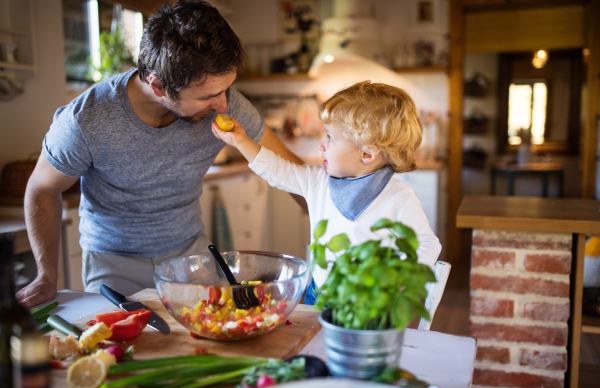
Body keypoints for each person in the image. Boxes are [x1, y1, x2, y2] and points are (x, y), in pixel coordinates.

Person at [17, 0, 305, 308]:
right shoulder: (86, 120)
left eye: (226, 90)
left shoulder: (228, 103)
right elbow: (42, 190)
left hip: (193, 259)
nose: (223, 105)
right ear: (158, 85)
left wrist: (344, 224)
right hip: (114, 267)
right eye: (208, 96)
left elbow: (291, 172)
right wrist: (46, 276)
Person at [212, 80, 442, 305]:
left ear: (367, 154)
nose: (321, 144)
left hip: (368, 305)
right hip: (319, 295)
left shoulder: (399, 196)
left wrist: (398, 282)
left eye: (330, 137)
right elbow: (275, 169)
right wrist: (241, 141)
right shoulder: (318, 180)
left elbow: (428, 243)